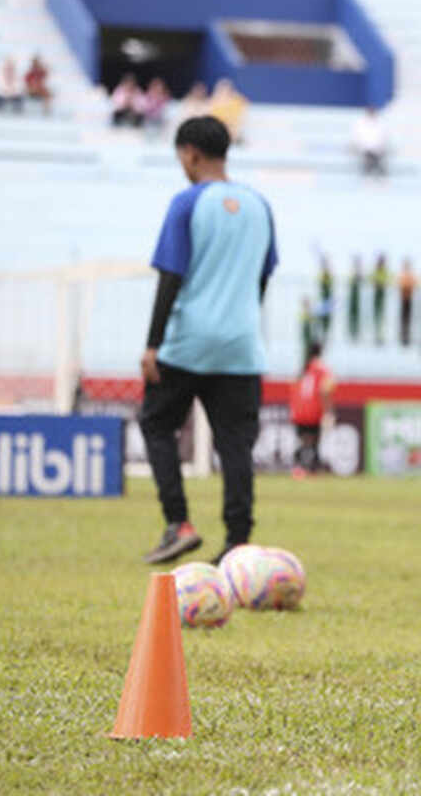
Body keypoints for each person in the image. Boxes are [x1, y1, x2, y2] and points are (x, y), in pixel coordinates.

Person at [139, 116, 277, 566]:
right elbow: (261, 278)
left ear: (190, 154)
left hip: (188, 342)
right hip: (241, 346)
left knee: (158, 424)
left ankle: (178, 524)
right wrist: (242, 323)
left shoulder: (186, 204)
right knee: (235, 445)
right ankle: (238, 543)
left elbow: (170, 277)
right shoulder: (259, 205)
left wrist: (153, 343)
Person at [289, 342, 335, 477]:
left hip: (298, 411)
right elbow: (325, 391)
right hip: (313, 411)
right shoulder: (323, 370)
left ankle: (301, 466)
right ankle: (310, 466)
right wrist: (329, 412)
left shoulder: (303, 369)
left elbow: (293, 390)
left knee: (304, 440)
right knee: (314, 440)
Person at [208, 79, 248, 144]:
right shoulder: (213, 103)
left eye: (226, 90)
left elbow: (239, 120)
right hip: (217, 129)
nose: (223, 92)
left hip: (232, 129)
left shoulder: (236, 102)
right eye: (221, 90)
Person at [351, 106, 387, 176]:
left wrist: (379, 149)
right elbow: (357, 139)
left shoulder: (381, 123)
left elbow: (383, 139)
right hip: (365, 152)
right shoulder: (360, 124)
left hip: (378, 152)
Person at [371, 254, 389, 344]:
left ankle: (380, 335)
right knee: (376, 316)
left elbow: (387, 281)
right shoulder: (375, 271)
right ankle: (376, 335)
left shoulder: (384, 272)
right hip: (376, 296)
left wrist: (381, 284)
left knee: (381, 316)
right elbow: (372, 281)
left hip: (381, 296)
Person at [398, 258, 416, 346]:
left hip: (408, 300)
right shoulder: (403, 276)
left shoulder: (409, 276)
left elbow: (413, 285)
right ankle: (403, 337)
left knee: (407, 320)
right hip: (404, 300)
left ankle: (406, 337)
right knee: (404, 320)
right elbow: (401, 285)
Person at [347, 256, 363, 342]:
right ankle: (352, 331)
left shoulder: (359, 272)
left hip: (358, 299)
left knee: (357, 315)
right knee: (352, 315)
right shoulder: (352, 272)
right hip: (353, 298)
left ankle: (356, 332)